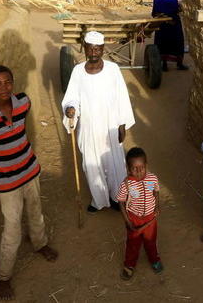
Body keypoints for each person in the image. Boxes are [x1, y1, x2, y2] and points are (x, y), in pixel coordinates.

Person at [0, 65, 58, 300]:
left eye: (7, 82)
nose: (3, 87)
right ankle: (2, 276)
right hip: (8, 181)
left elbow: (20, 130)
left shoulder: (23, 101)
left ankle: (40, 243)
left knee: (35, 211)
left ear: (13, 83)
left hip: (30, 170)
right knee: (12, 229)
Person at [62, 31, 135, 214]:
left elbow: (122, 97)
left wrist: (122, 124)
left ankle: (117, 197)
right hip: (88, 127)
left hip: (110, 125)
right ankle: (99, 200)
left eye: (98, 48)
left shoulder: (112, 69)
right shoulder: (78, 71)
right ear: (85, 48)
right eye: (90, 48)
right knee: (91, 164)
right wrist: (70, 108)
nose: (94, 52)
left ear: (102, 49)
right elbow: (71, 97)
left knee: (115, 163)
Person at [116, 147, 163, 280]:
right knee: (133, 243)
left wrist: (157, 205)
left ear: (146, 165)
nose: (138, 171)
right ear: (128, 168)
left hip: (150, 218)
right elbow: (121, 202)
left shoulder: (152, 179)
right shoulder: (126, 184)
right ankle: (129, 264)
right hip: (134, 219)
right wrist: (127, 220)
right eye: (134, 168)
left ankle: (154, 259)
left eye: (141, 167)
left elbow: (156, 191)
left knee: (151, 241)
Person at [152, 0, 188, 71]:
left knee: (178, 41)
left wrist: (179, 9)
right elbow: (157, 7)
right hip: (163, 22)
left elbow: (175, 6)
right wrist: (165, 18)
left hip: (175, 21)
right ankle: (164, 64)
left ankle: (179, 63)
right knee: (163, 42)